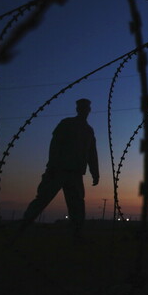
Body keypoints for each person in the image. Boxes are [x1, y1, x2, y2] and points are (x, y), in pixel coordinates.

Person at [21, 98, 99, 241]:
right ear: (78, 109)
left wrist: (95, 173)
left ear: (89, 110)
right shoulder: (66, 124)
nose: (84, 110)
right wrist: (52, 165)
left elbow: (92, 153)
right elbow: (55, 145)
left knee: (77, 205)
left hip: (75, 173)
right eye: (82, 107)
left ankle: (77, 234)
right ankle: (22, 227)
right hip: (58, 170)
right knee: (42, 199)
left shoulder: (88, 131)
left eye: (86, 108)